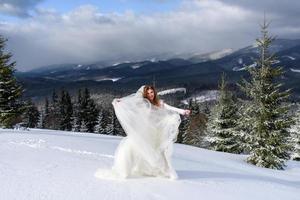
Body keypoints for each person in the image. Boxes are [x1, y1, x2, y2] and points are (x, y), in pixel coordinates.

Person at [94, 85, 191, 180]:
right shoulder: (142, 103)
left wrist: (183, 111)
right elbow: (132, 101)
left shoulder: (159, 103)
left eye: (152, 92)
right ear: (145, 94)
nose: (150, 94)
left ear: (154, 92)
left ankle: (165, 171)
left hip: (154, 132)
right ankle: (123, 170)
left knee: (156, 152)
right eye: (148, 93)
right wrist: (121, 101)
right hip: (143, 131)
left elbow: (169, 108)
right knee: (130, 147)